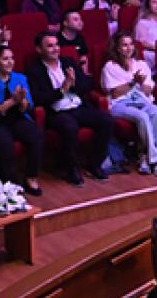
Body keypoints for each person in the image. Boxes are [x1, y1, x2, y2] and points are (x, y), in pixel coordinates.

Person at [27, 31, 114, 184]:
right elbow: (38, 98)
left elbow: (88, 84)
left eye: (57, 45)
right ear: (39, 50)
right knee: (70, 127)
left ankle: (94, 164)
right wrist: (62, 90)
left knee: (106, 120)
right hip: (57, 111)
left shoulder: (68, 62)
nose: (55, 49)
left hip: (78, 106)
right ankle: (70, 168)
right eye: (50, 46)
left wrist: (73, 84)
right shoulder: (35, 70)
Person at [0, 45, 44, 196]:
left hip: (17, 118)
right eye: (5, 59)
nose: (10, 62)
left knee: (35, 135)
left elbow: (29, 105)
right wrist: (13, 101)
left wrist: (23, 103)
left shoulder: (20, 78)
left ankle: (31, 177)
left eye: (12, 58)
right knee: (5, 144)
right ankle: (9, 185)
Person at [101, 31, 157, 176]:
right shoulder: (110, 67)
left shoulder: (142, 65)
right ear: (117, 48)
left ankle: (145, 156)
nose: (128, 48)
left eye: (131, 44)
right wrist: (133, 82)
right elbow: (115, 93)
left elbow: (148, 91)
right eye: (124, 45)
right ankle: (156, 160)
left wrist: (141, 84)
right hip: (120, 105)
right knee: (142, 116)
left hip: (141, 101)